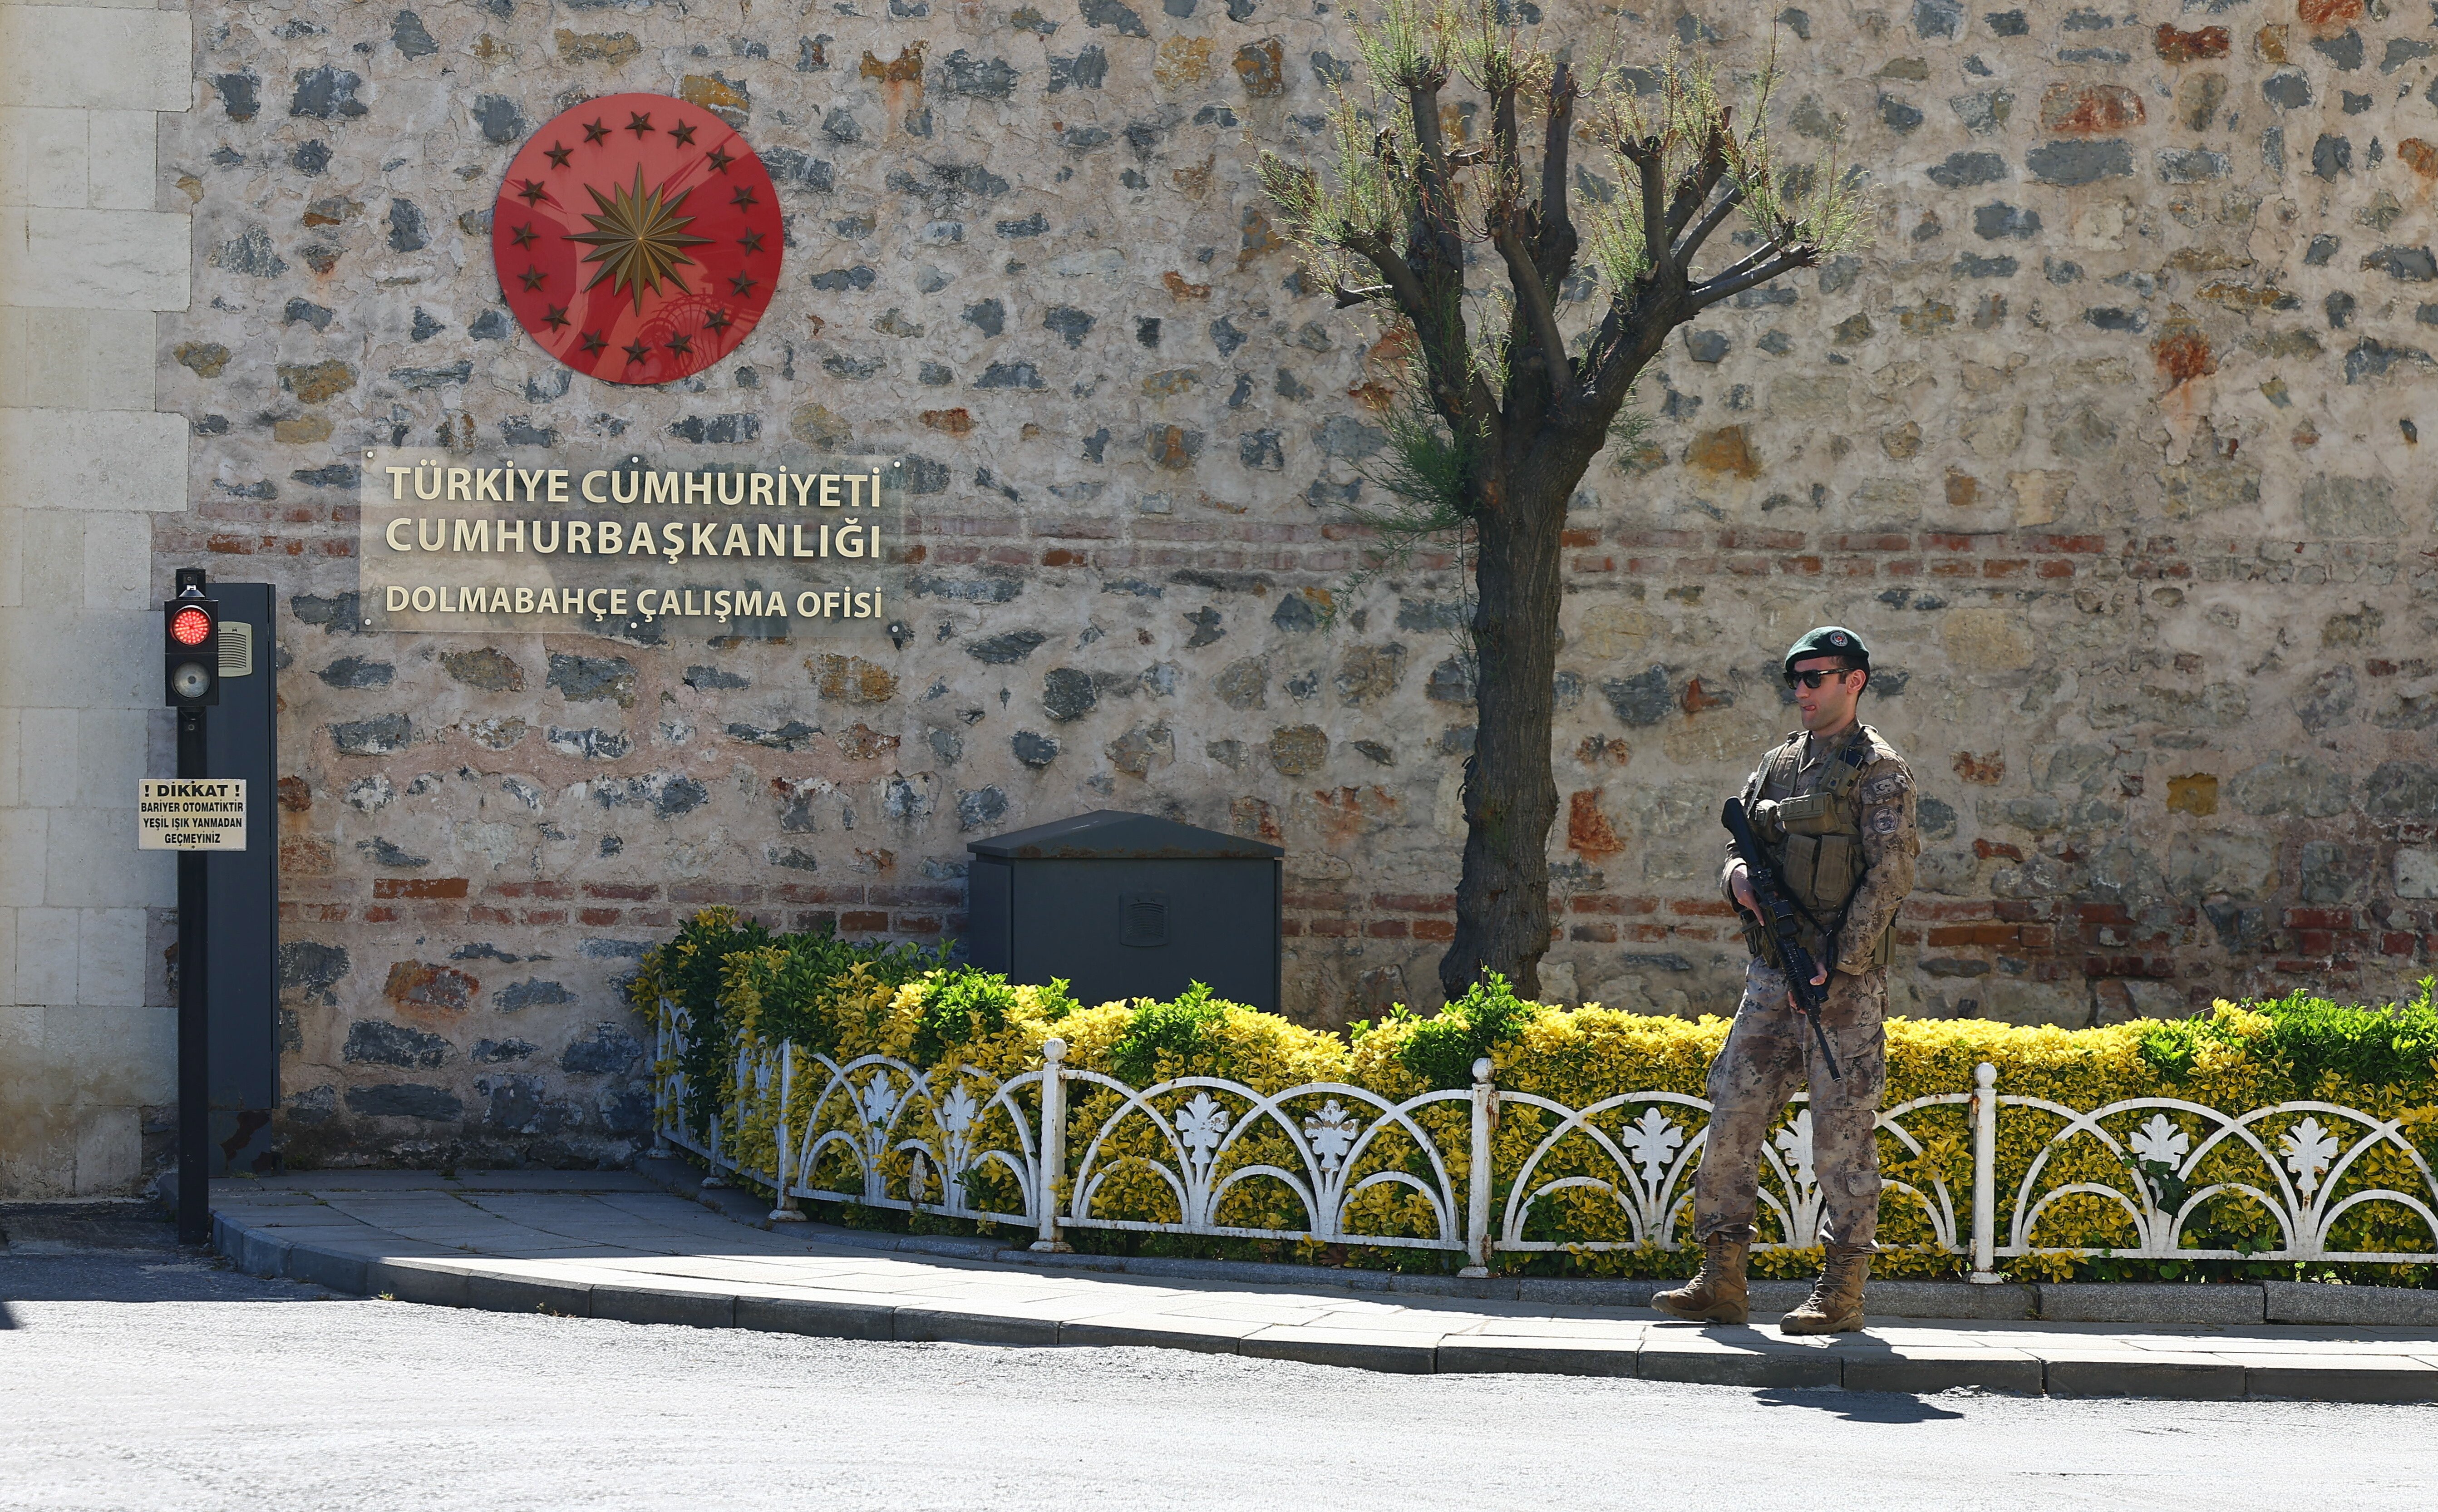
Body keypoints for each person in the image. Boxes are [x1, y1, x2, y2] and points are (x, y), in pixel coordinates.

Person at [1652, 625, 1919, 1334]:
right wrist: (1734, 877)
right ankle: (1722, 1277)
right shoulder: (1778, 766)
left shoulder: (1879, 770)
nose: (1801, 690)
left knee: (1842, 1131)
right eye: (1794, 678)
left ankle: (1841, 1289)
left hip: (1844, 984)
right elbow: (1737, 845)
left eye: (1815, 677)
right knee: (1733, 1112)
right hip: (1773, 976)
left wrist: (1843, 961)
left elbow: (1891, 874)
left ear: (1853, 681)